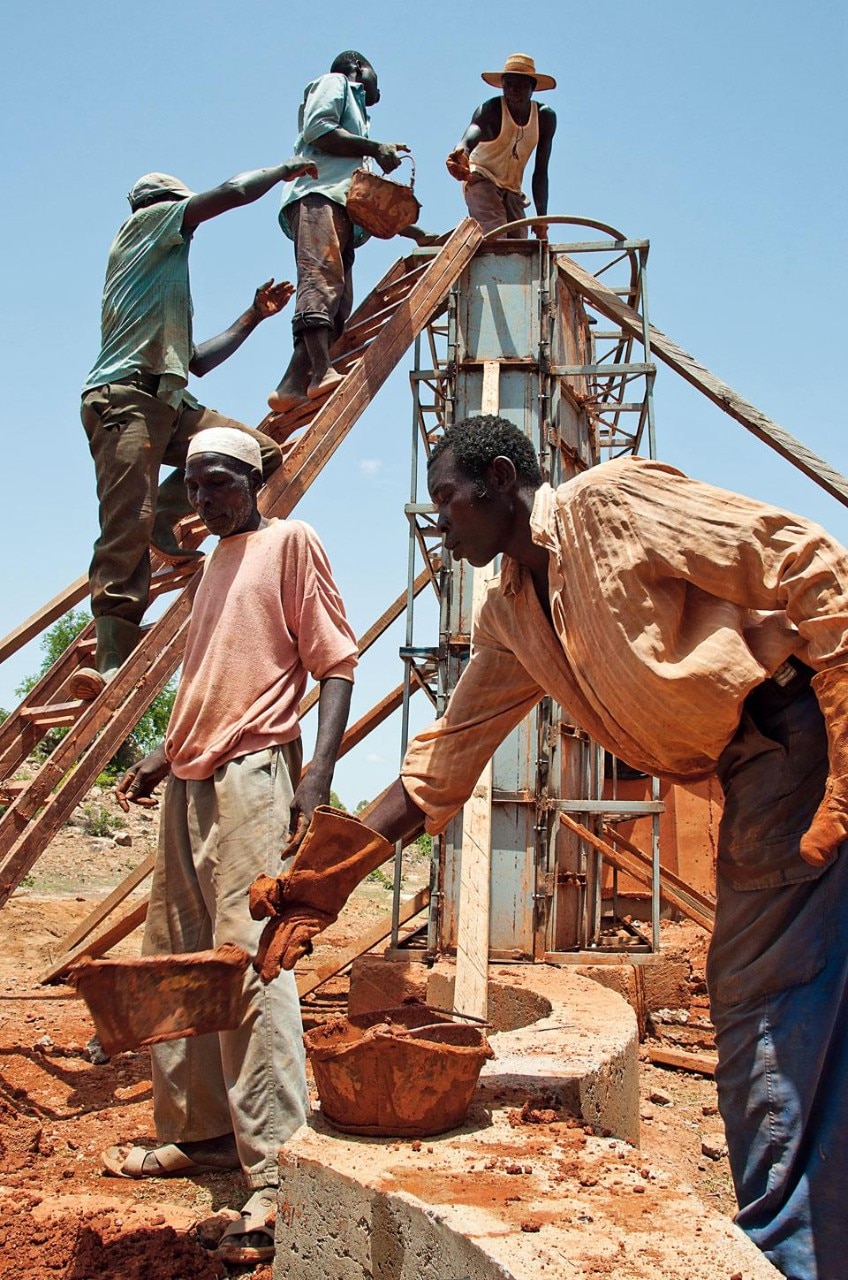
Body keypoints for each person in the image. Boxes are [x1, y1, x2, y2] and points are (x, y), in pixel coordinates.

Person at [263, 415, 848, 1280]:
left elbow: (806, 558)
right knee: (807, 991)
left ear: (501, 481)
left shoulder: (613, 504)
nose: (441, 524)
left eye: (448, 501)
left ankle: (786, 1255)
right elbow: (442, 765)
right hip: (753, 762)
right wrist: (327, 879)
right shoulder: (510, 617)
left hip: (797, 737)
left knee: (761, 997)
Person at [104, 425, 358, 1267]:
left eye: (219, 483)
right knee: (175, 960)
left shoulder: (291, 541)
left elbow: (336, 664)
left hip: (255, 776)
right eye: (194, 485)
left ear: (255, 480)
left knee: (253, 962)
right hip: (189, 775)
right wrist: (160, 754)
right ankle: (200, 1132)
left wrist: (317, 773)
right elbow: (216, 675)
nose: (205, 499)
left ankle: (276, 1172)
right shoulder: (213, 562)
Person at [72, 157, 317, 702]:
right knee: (123, 526)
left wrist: (253, 315)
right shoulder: (145, 228)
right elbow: (229, 191)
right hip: (125, 402)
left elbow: (197, 361)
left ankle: (166, 514)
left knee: (258, 453)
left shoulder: (160, 281)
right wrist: (283, 171)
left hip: (169, 402)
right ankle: (114, 657)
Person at [268, 50, 411, 414]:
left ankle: (289, 385)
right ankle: (319, 373)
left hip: (341, 209)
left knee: (338, 301)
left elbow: (363, 190)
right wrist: (374, 148)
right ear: (360, 68)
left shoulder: (359, 119)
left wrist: (414, 230)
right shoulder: (336, 83)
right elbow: (318, 130)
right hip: (318, 198)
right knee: (321, 281)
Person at [446, 52, 557, 239]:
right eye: (509, 85)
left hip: (513, 190)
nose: (513, 91)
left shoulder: (544, 117)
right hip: (481, 178)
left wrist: (541, 218)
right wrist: (461, 153)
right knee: (497, 238)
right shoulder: (492, 110)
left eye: (520, 86)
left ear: (532, 87)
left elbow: (540, 172)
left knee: (521, 247)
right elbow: (472, 134)